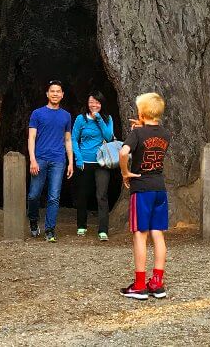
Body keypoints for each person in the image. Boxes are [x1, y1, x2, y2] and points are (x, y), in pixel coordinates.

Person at [118, 93, 170, 300]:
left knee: (140, 234)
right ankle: (157, 283)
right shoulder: (166, 134)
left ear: (141, 112)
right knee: (158, 233)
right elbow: (152, 139)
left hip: (141, 188)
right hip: (159, 188)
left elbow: (123, 153)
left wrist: (125, 172)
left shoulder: (137, 134)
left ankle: (140, 284)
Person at [27, 80, 74, 242]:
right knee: (34, 195)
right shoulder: (37, 113)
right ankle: (33, 221)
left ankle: (49, 229)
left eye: (58, 91)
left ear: (62, 95)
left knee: (53, 196)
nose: (55, 94)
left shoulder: (66, 116)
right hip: (40, 158)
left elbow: (68, 140)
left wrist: (71, 162)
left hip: (58, 160)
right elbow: (31, 137)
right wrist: (32, 159)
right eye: (52, 91)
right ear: (47, 94)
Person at [71, 91, 115, 241]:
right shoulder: (80, 119)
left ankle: (103, 230)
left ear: (101, 104)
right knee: (82, 195)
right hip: (85, 162)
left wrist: (99, 120)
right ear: (87, 103)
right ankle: (81, 225)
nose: (94, 105)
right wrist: (78, 158)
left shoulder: (107, 118)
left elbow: (109, 136)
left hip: (102, 162)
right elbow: (73, 139)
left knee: (101, 195)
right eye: (91, 102)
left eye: (97, 102)